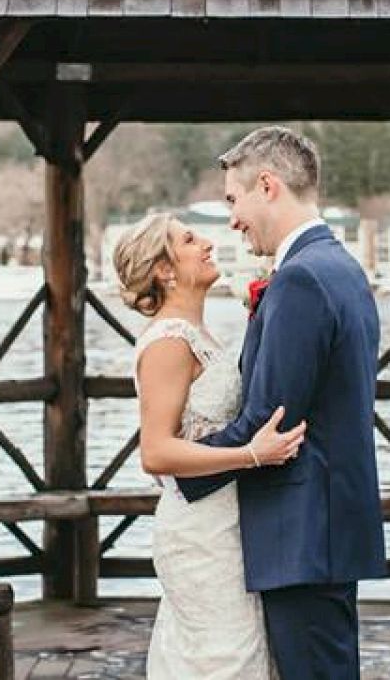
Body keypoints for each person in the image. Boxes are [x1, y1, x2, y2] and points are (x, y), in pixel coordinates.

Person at [178, 126, 387, 679]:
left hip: (302, 533)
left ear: (267, 185)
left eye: (233, 200)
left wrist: (180, 468)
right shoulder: (340, 268)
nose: (231, 219)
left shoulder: (301, 280)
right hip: (326, 525)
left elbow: (267, 421)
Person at [114, 211, 303, 679]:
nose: (208, 244)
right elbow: (155, 453)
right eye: (190, 239)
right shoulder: (169, 343)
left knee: (242, 653)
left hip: (229, 522)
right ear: (164, 268)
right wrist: (252, 454)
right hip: (200, 533)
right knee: (223, 659)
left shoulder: (200, 336)